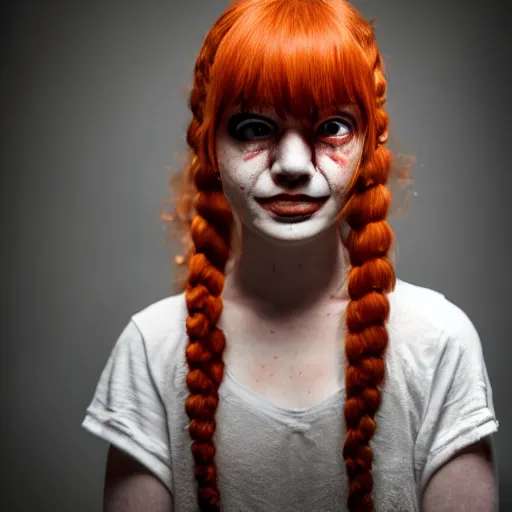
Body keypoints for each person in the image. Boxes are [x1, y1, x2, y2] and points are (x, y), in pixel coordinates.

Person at [82, 1, 499, 511]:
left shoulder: (439, 344)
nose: (294, 165)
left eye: (331, 127)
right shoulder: (151, 351)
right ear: (209, 145)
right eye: (254, 128)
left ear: (369, 145)